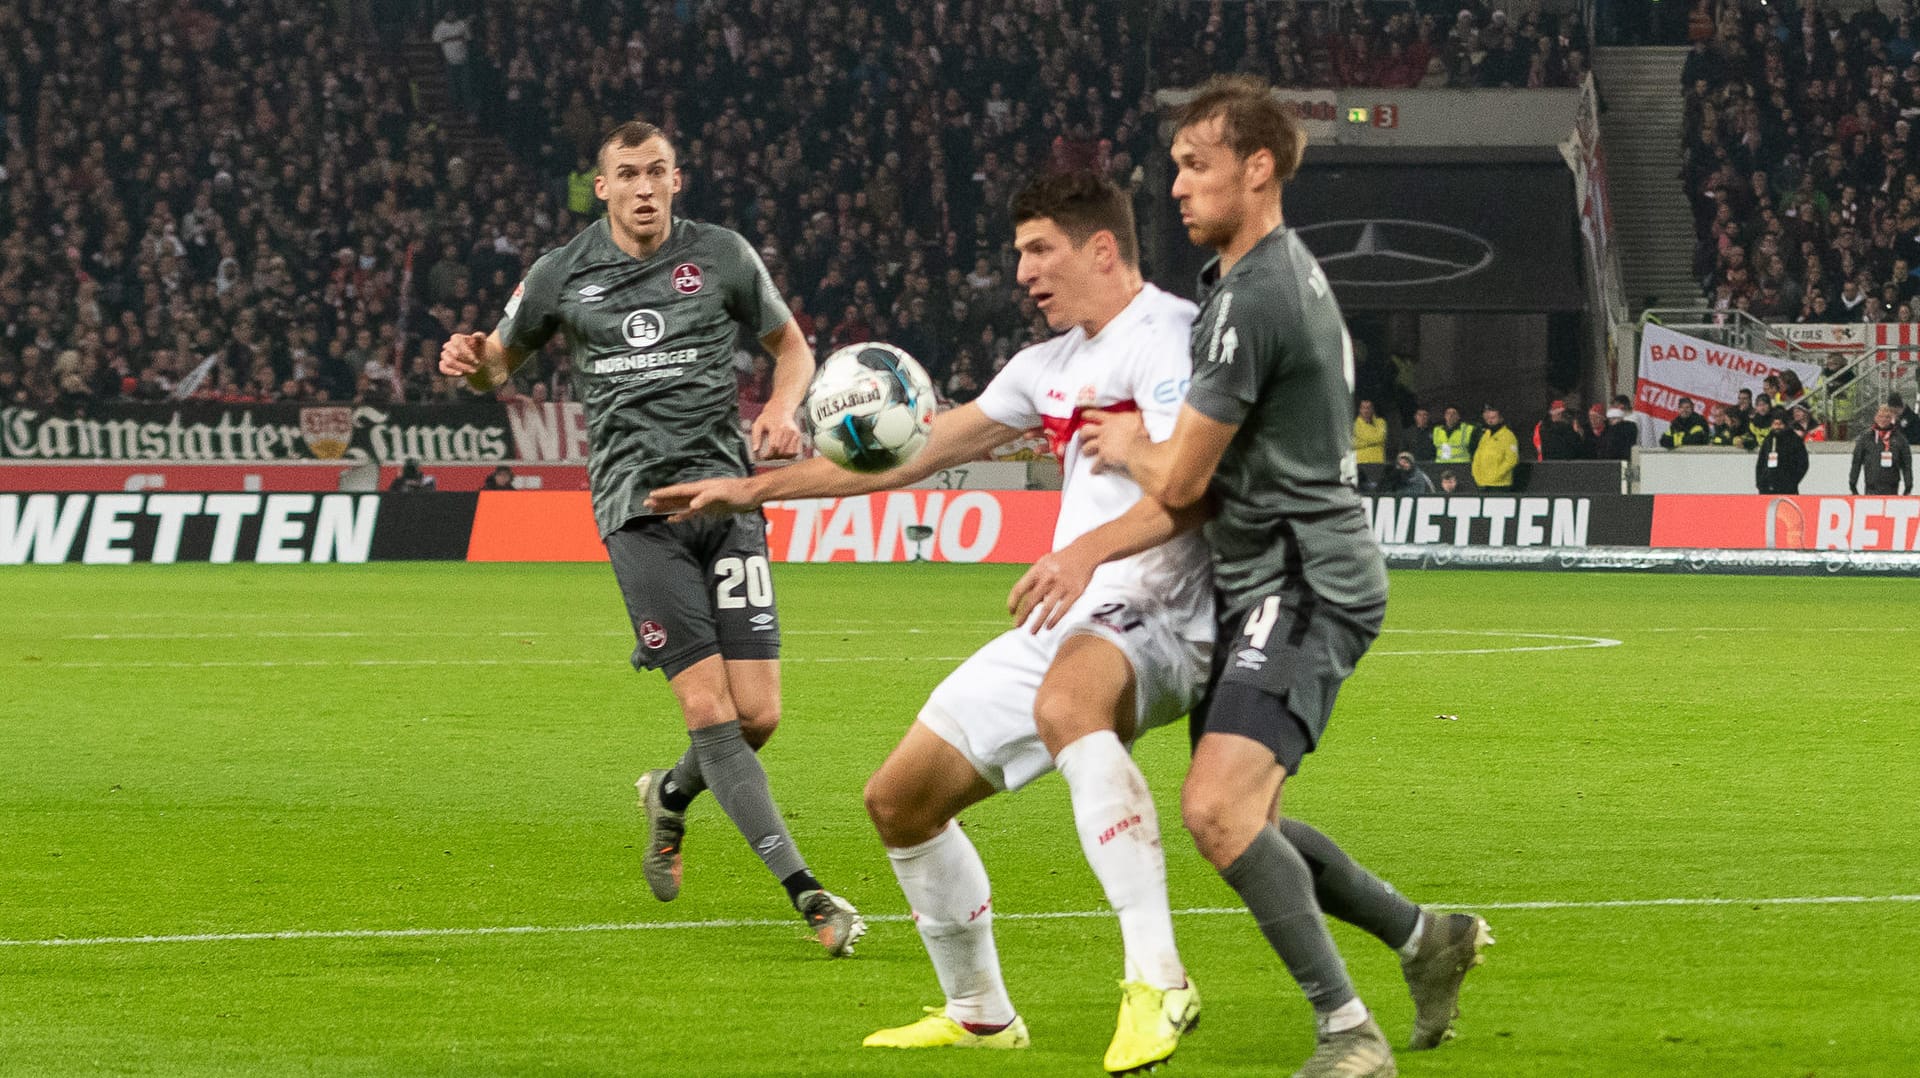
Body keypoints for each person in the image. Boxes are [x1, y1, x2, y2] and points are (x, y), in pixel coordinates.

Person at [649, 171, 1206, 1072]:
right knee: (900, 800)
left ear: (1102, 248)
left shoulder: (1171, 339)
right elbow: (912, 456)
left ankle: (1159, 981)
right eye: (1018, 250)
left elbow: (1197, 486)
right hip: (1072, 610)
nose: (1021, 270)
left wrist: (1085, 551)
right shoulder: (1046, 367)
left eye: (1039, 249)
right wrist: (754, 489)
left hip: (1169, 603)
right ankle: (981, 1012)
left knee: (1071, 709)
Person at [1009, 75, 1490, 1078]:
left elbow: (1186, 473)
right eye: (1176, 166)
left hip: (1303, 579)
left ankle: (1346, 1032)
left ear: (1258, 167)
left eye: (1197, 165)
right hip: (1263, 580)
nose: (1177, 187)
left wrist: (1126, 445)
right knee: (1248, 817)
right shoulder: (1252, 280)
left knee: (1217, 810)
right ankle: (1421, 935)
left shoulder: (1255, 294)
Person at [437, 120, 865, 956]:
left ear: (677, 180)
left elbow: (792, 348)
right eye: (626, 173)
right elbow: (499, 366)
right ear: (602, 187)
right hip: (638, 516)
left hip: (729, 504)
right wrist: (472, 362)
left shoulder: (725, 256)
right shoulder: (561, 272)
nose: (642, 186)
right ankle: (809, 895)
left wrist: (782, 408)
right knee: (710, 710)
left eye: (656, 172)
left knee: (760, 717)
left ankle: (669, 795)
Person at [1849, 405, 1914, 495]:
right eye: (1880, 416)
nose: (1883, 420)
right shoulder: (1866, 438)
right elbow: (1856, 461)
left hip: (1892, 488)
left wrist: (1908, 486)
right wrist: (1853, 484)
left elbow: (1907, 464)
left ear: (1891, 418)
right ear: (1875, 417)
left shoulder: (1900, 439)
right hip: (1871, 488)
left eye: (1887, 417)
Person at [1756, 414, 1809, 494]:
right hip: (1767, 486)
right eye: (1775, 424)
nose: (1777, 427)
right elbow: (1761, 462)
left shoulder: (1794, 440)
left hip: (1787, 487)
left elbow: (1803, 463)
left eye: (1780, 424)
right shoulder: (1768, 440)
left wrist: (1793, 481)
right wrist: (1760, 482)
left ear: (1785, 425)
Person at [1470, 405, 1518, 490]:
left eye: (1493, 418)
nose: (1490, 420)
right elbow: (1478, 456)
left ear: (1501, 419)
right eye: (1488, 418)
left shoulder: (1508, 436)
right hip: (1483, 483)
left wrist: (1496, 475)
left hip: (1500, 484)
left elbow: (1512, 460)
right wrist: (1476, 474)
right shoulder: (1486, 435)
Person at [1352, 399, 1387, 465]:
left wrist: (1361, 443)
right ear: (1360, 410)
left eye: (1368, 408)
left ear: (1372, 409)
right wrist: (1376, 442)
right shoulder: (1354, 425)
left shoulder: (1381, 422)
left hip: (1378, 461)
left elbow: (1380, 437)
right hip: (1361, 462)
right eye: (1363, 408)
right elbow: (1352, 444)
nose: (1366, 410)